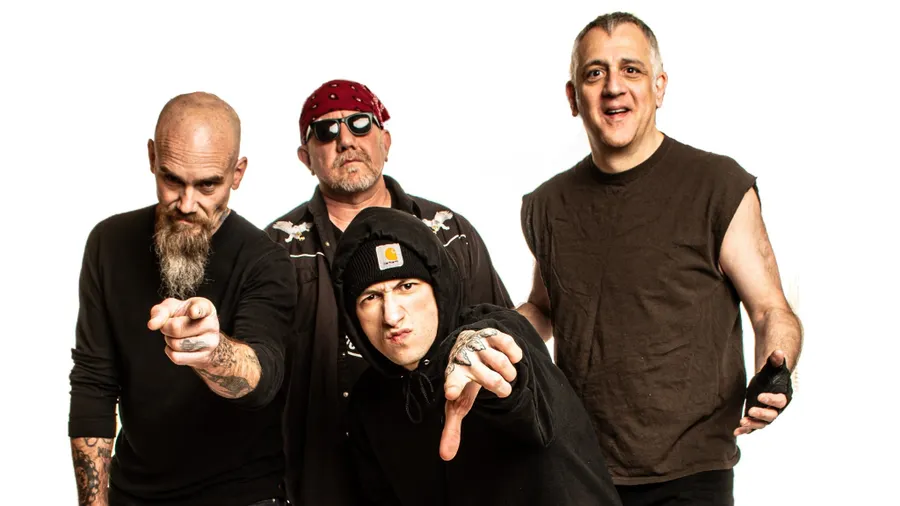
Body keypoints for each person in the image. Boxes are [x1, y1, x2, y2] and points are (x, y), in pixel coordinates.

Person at [518, 12, 803, 505]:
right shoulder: (547, 204)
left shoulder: (718, 186)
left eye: (631, 69)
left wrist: (774, 371)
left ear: (659, 86)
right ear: (573, 97)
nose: (613, 87)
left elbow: (770, 309)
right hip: (579, 466)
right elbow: (544, 308)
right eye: (595, 73)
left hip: (691, 473)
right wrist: (488, 335)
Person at [265, 79, 513, 505]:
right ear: (305, 157)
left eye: (361, 124)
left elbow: (500, 335)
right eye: (325, 130)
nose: (345, 140)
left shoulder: (448, 233)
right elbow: (257, 376)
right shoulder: (277, 250)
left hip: (442, 471)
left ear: (386, 141)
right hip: (324, 480)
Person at [67, 92, 298, 506]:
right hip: (134, 493)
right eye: (172, 180)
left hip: (242, 496)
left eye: (208, 184)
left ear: (237, 173)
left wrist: (211, 352)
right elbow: (93, 383)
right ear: (152, 157)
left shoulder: (265, 260)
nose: (187, 204)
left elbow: (263, 379)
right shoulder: (108, 243)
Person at [329, 206, 622, 506]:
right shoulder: (367, 402)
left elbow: (517, 378)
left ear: (438, 289)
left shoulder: (501, 331)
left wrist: (482, 359)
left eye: (407, 287)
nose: (391, 316)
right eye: (371, 297)